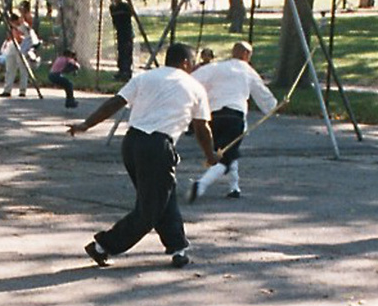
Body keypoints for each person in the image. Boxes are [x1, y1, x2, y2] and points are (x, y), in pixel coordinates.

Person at [69, 41, 219, 269]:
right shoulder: (194, 87)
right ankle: (103, 246)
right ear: (186, 63)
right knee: (150, 209)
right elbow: (202, 129)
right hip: (158, 147)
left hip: (131, 143)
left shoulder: (144, 77)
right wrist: (211, 155)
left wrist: (86, 124)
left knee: (163, 198)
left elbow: (114, 104)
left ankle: (178, 248)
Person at [190, 40, 279, 201]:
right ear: (245, 54)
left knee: (226, 151)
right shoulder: (248, 71)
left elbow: (191, 80)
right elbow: (262, 92)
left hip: (213, 117)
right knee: (225, 157)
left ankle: (234, 187)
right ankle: (201, 184)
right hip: (234, 117)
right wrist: (274, 106)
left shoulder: (216, 68)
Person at [0, 10, 38, 96]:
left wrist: (16, 28)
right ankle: (7, 90)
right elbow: (10, 37)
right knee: (10, 68)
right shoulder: (12, 27)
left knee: (23, 68)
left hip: (22, 47)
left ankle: (22, 91)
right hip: (13, 45)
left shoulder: (23, 26)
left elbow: (23, 37)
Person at [109, 0, 137, 80]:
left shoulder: (125, 6)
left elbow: (132, 13)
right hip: (120, 32)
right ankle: (121, 71)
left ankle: (127, 72)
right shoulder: (112, 8)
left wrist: (129, 2)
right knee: (121, 52)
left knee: (127, 52)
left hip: (127, 32)